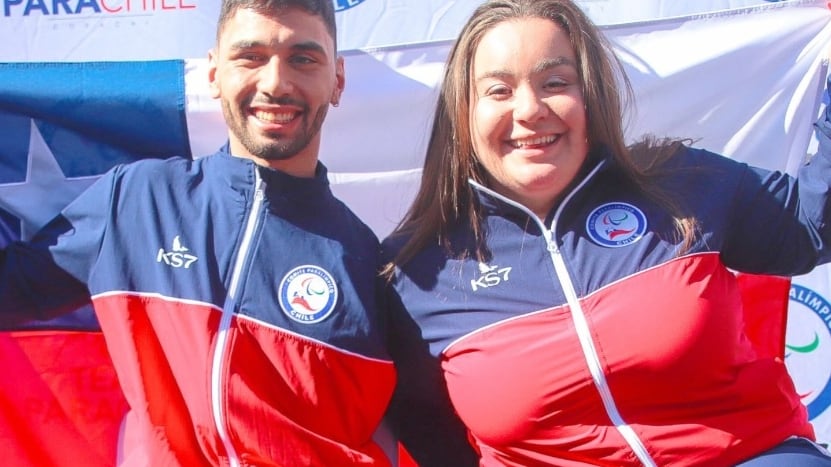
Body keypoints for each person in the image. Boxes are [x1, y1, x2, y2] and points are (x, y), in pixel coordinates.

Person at [381, 0, 831, 465]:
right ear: (463, 116)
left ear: (591, 95)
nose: (530, 109)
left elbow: (813, 226)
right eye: (498, 91)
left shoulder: (680, 182)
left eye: (555, 83)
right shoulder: (418, 273)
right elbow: (426, 429)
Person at [0, 0, 397, 465]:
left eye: (303, 59)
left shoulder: (370, 262)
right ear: (213, 74)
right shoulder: (137, 200)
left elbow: (407, 430)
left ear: (338, 80)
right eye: (250, 57)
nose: (275, 83)